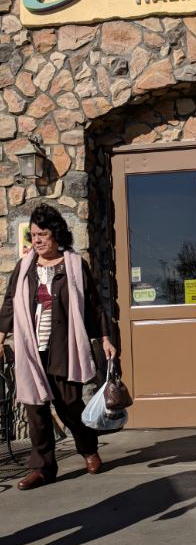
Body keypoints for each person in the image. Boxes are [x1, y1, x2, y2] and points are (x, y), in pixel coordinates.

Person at [0, 204, 117, 490]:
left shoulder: (75, 265)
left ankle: (88, 449)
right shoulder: (24, 267)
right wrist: (1, 336)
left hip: (64, 346)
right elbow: (9, 301)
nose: (37, 240)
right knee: (35, 409)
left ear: (57, 235)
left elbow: (93, 305)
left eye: (43, 235)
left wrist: (105, 337)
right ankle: (42, 468)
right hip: (31, 347)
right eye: (34, 234)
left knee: (69, 405)